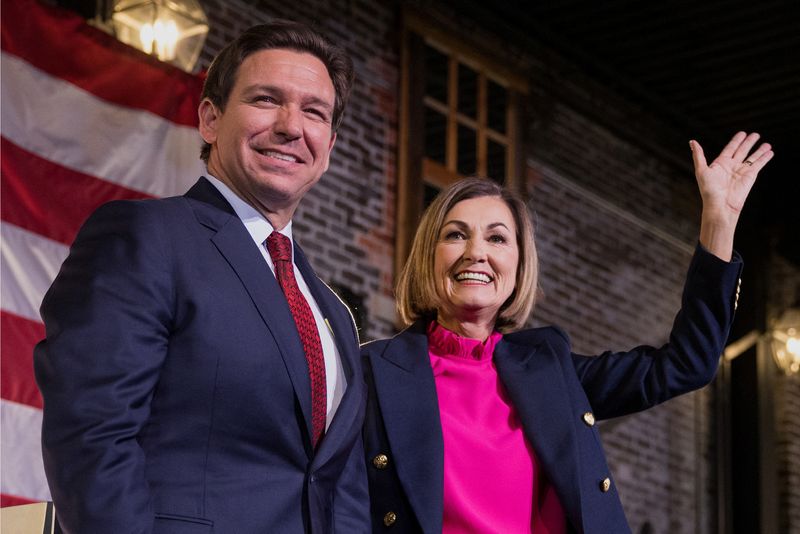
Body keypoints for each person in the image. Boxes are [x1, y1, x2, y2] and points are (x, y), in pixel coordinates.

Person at [34, 21, 369, 534]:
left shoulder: (332, 312)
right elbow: (91, 436)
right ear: (210, 119)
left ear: (329, 147)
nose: (290, 126)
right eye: (265, 99)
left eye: (314, 112)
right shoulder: (148, 236)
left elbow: (337, 484)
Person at [362, 132, 773, 533]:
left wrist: (718, 224)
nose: (476, 252)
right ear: (427, 256)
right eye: (455, 234)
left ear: (519, 267)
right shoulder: (371, 373)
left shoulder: (549, 369)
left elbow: (686, 365)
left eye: (497, 238)